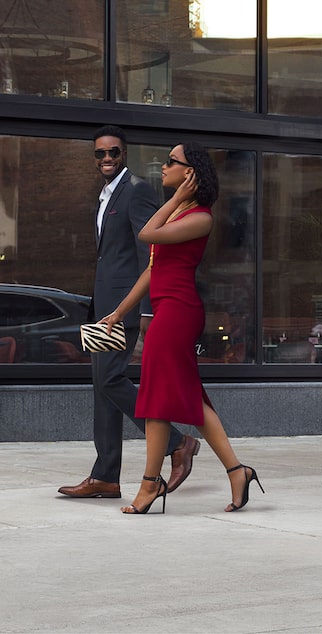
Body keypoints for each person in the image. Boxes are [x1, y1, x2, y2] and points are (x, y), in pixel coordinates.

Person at [102, 141, 262, 515]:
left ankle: (150, 483)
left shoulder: (200, 217)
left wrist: (174, 201)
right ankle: (238, 471)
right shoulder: (179, 214)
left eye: (171, 162)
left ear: (190, 174)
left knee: (157, 396)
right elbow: (152, 270)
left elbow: (146, 234)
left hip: (179, 312)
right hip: (167, 310)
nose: (163, 166)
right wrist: (118, 311)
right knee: (189, 398)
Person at [58, 126, 200, 500]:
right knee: (102, 389)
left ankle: (177, 442)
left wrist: (147, 310)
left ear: (125, 154)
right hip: (102, 305)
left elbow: (152, 253)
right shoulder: (104, 195)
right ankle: (105, 476)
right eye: (100, 154)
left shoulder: (136, 190)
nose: (107, 159)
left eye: (114, 153)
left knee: (110, 380)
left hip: (125, 305)